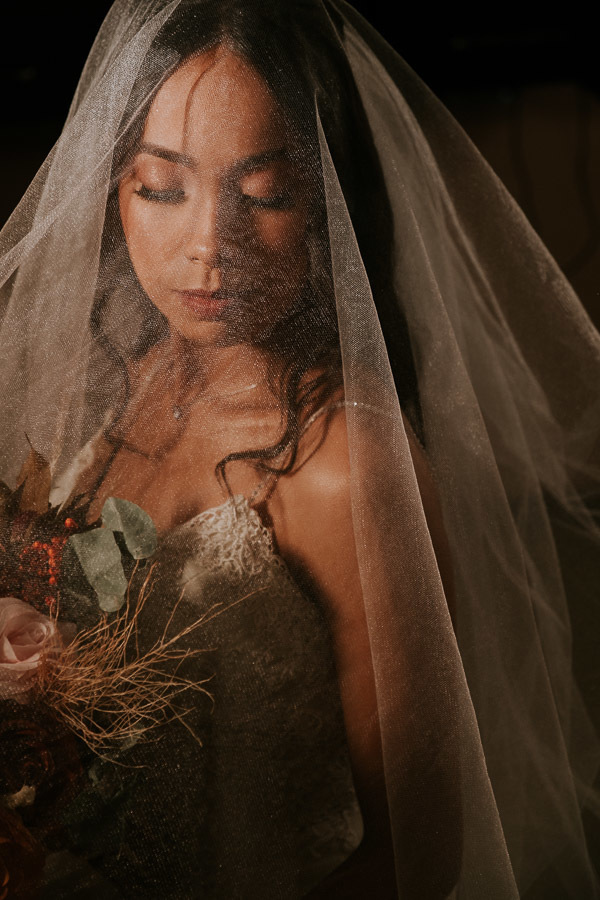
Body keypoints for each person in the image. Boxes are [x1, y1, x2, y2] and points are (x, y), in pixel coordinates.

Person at [0, 1, 599, 898]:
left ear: (328, 204)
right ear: (113, 187)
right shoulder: (145, 372)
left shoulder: (350, 469)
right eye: (161, 187)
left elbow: (416, 859)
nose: (208, 247)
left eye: (265, 193)